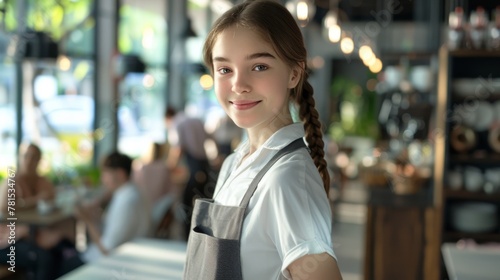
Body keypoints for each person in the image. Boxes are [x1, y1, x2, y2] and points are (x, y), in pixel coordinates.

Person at [183, 1, 343, 279]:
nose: (238, 84)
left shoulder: (288, 177)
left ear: (294, 73)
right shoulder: (235, 162)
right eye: (224, 69)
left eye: (259, 66)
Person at [58, 151, 152, 275]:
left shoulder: (127, 201)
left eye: (105, 173)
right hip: (125, 257)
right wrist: (95, 215)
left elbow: (107, 250)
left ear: (120, 174)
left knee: (59, 264)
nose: (103, 179)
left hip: (112, 264)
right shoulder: (130, 192)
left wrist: (88, 220)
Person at [0, 143, 58, 279]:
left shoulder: (42, 181)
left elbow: (52, 199)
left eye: (34, 157)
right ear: (20, 158)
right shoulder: (12, 181)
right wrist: (36, 199)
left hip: (31, 236)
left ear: (39, 160)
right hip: (7, 242)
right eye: (26, 156)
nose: (29, 161)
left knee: (58, 250)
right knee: (43, 258)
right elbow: (4, 207)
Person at [164, 106, 214, 240]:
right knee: (205, 202)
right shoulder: (195, 119)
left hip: (194, 165)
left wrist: (170, 166)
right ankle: (205, 236)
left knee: (187, 203)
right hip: (205, 164)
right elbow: (210, 138)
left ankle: (189, 237)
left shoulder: (176, 123)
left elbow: (178, 148)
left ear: (167, 117)